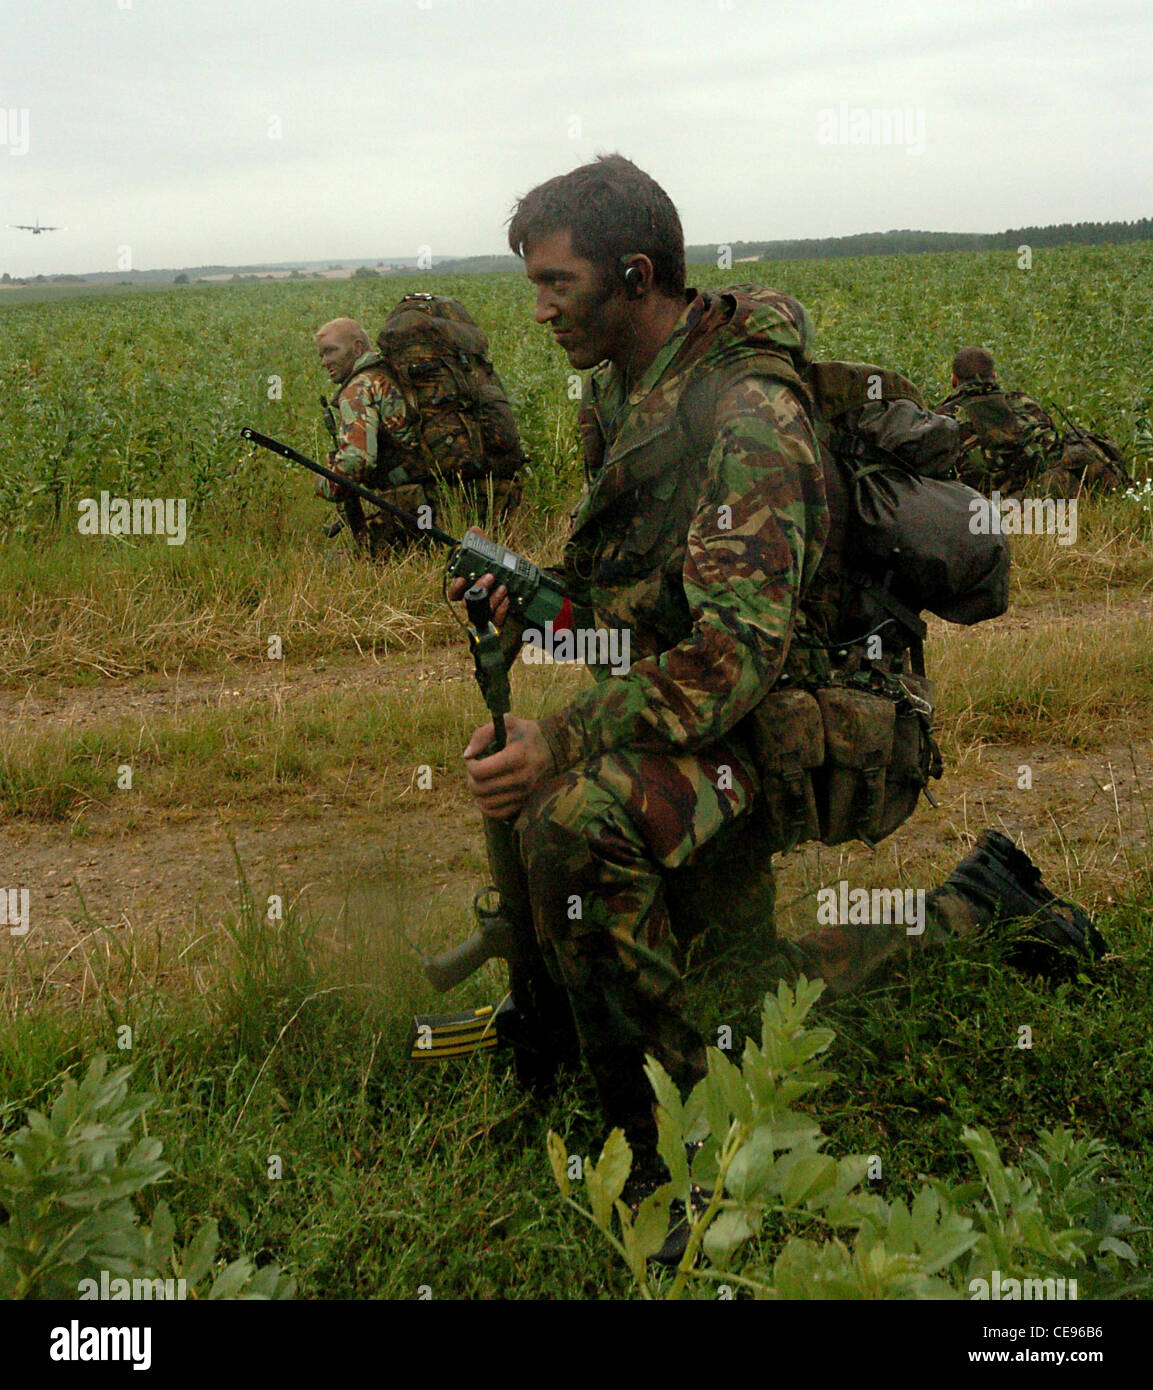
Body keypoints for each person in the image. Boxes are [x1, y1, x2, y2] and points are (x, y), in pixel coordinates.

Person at [451, 157, 1104, 1253]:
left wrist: (559, 737)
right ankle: (972, 909)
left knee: (575, 819)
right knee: (738, 992)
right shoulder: (632, 394)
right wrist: (540, 612)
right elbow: (649, 612)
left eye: (558, 283)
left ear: (636, 273)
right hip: (735, 714)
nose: (540, 308)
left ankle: (676, 1164)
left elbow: (728, 661)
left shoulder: (749, 415)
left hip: (814, 720)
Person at [315, 314, 521, 554]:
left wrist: (324, 484)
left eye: (331, 351)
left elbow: (356, 462)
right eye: (321, 354)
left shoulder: (359, 387)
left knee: (343, 560)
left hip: (426, 506)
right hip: (487, 492)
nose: (324, 361)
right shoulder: (399, 373)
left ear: (357, 347)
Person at [935, 347, 1126, 497]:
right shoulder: (1022, 401)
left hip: (977, 505)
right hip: (1037, 493)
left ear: (954, 380)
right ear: (994, 377)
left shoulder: (942, 417)